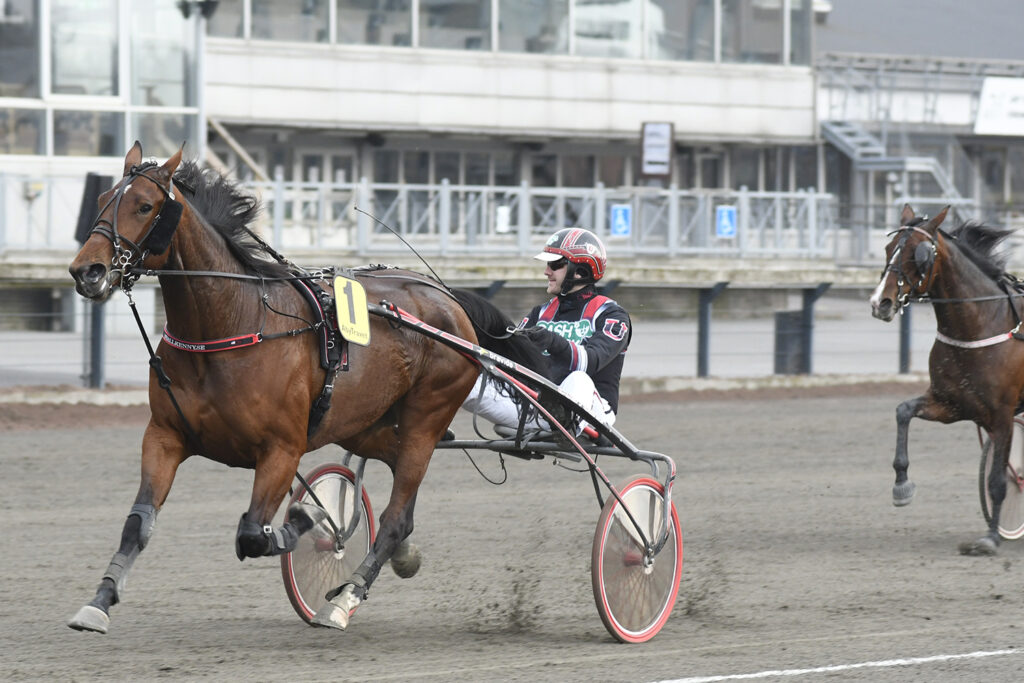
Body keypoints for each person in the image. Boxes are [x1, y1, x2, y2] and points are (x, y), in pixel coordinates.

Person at [462, 227, 631, 433]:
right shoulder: (540, 313)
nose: (546, 271)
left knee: (579, 380)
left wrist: (551, 340)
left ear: (580, 271)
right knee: (463, 377)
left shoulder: (611, 314)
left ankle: (565, 430)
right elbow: (512, 361)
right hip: (539, 405)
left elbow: (590, 362)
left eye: (555, 264)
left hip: (592, 412)